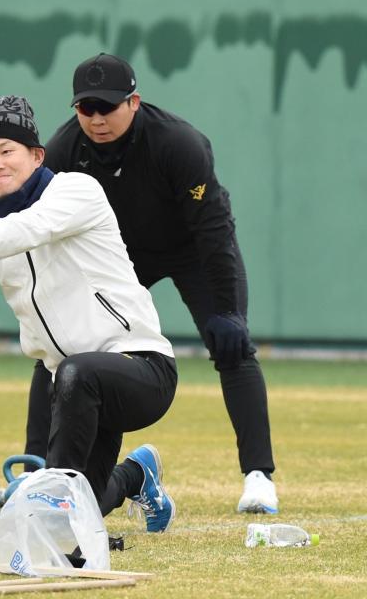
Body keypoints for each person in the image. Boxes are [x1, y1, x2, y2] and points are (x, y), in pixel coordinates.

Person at [0, 95, 178, 532]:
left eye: (7, 151)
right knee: (83, 501)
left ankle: (47, 514)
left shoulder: (75, 191)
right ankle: (136, 476)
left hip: (141, 370)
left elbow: (25, 230)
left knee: (55, 499)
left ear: (37, 155)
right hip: (74, 387)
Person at [40, 52, 277, 513]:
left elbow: (214, 229)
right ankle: (38, 470)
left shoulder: (178, 143)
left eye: (107, 106)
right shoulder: (64, 151)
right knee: (60, 351)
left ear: (134, 101)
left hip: (191, 249)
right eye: (86, 108)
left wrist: (229, 309)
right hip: (118, 261)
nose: (97, 118)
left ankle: (258, 475)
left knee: (232, 346)